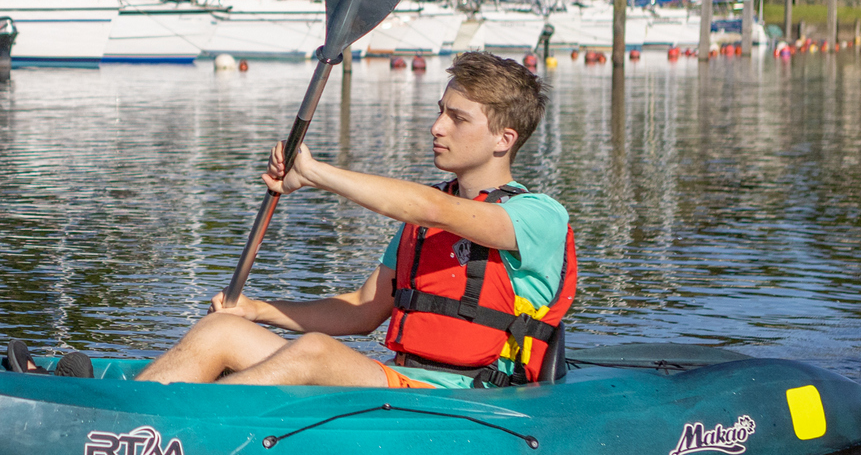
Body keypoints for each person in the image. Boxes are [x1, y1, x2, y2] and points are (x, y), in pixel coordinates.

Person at [135, 51, 576, 389]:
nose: (436, 127)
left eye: (456, 118)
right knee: (222, 330)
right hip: (400, 384)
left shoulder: (539, 216)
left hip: (465, 399)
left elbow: (430, 207)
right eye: (440, 110)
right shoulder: (424, 223)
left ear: (504, 139)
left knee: (314, 351)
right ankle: (125, 413)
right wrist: (257, 310)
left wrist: (314, 173)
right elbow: (365, 311)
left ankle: (178, 423)